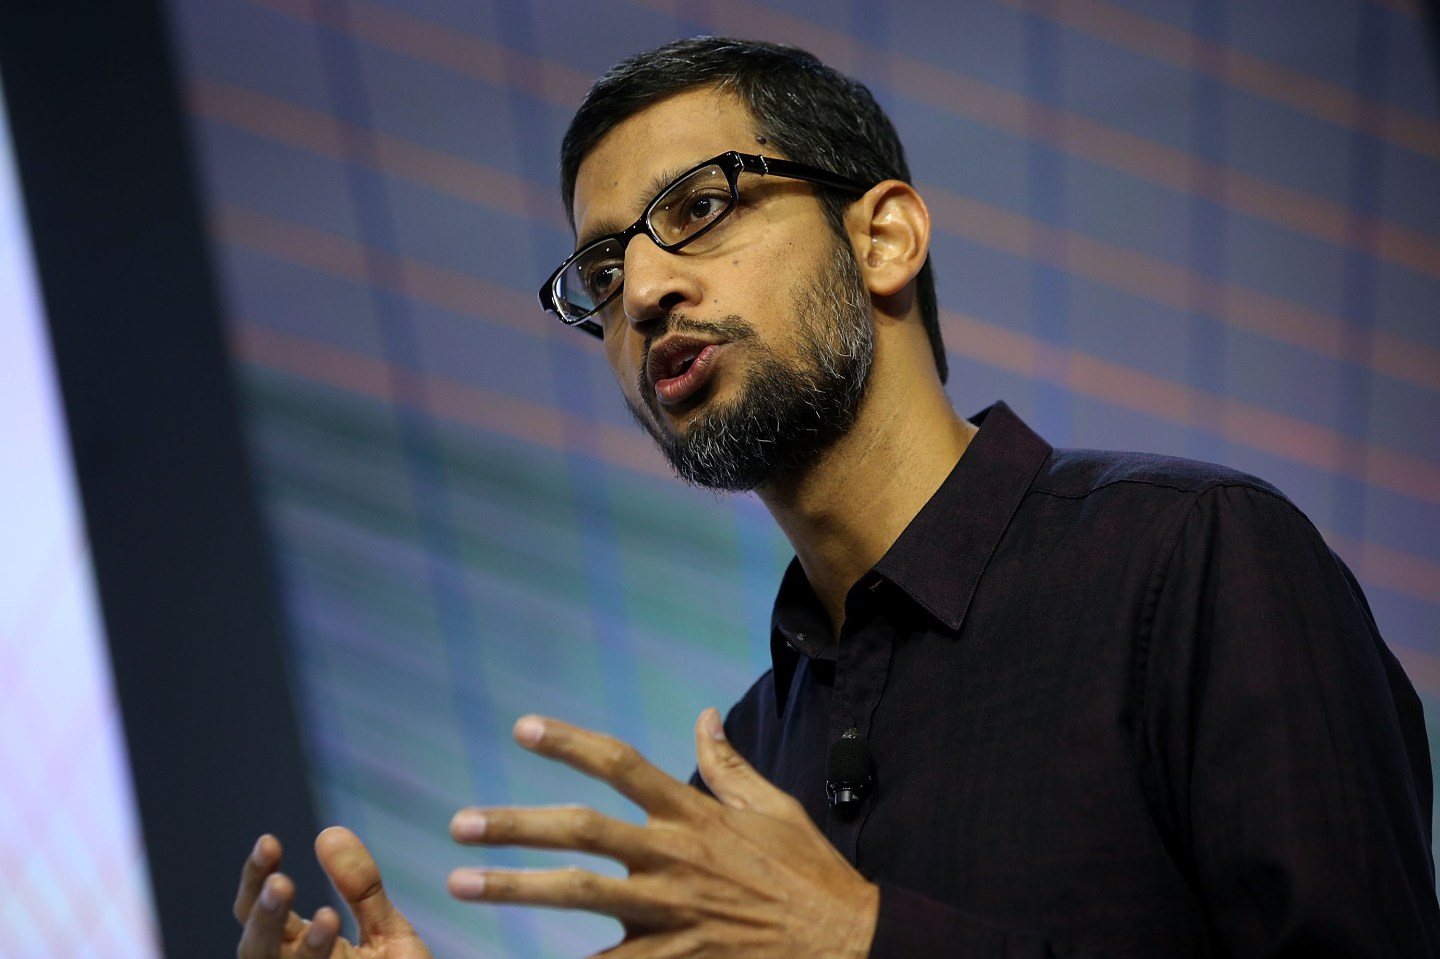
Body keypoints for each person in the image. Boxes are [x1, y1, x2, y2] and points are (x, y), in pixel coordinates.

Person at [234, 37, 1439, 958]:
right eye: (602, 270)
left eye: (697, 209)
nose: (641, 292)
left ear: (886, 239)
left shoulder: (1194, 563)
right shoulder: (742, 776)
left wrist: (863, 937)